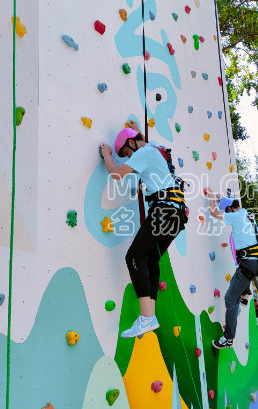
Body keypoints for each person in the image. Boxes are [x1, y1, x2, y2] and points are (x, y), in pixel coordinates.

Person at [99, 122, 187, 338]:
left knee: (134, 257)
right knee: (150, 260)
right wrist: (138, 129)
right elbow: (147, 144)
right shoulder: (157, 150)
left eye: (126, 152)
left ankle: (147, 317)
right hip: (177, 215)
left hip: (163, 211)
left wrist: (107, 154)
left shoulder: (145, 152)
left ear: (131, 143)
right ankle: (150, 316)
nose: (128, 158)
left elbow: (117, 174)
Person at [207, 188, 258, 349]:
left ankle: (228, 339)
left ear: (229, 209)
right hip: (257, 262)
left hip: (248, 264)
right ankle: (245, 295)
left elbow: (213, 212)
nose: (226, 214)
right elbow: (229, 205)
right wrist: (222, 198)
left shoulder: (235, 216)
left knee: (230, 298)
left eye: (226, 210)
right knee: (238, 279)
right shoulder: (247, 214)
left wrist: (211, 196)